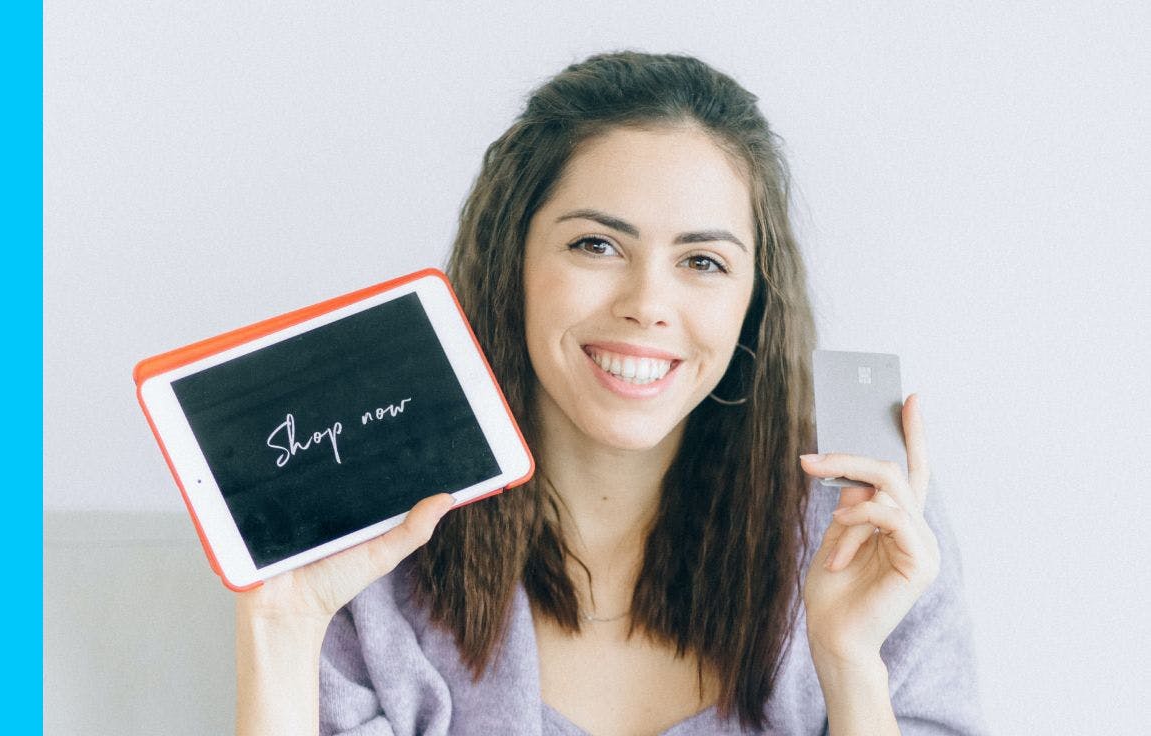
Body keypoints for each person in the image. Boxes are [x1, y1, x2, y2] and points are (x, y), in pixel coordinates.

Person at [235, 51, 987, 735]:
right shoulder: (380, 546)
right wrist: (283, 627)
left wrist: (851, 663)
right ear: (512, 262)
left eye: (702, 261)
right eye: (596, 245)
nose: (647, 303)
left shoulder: (859, 523)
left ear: (754, 299)